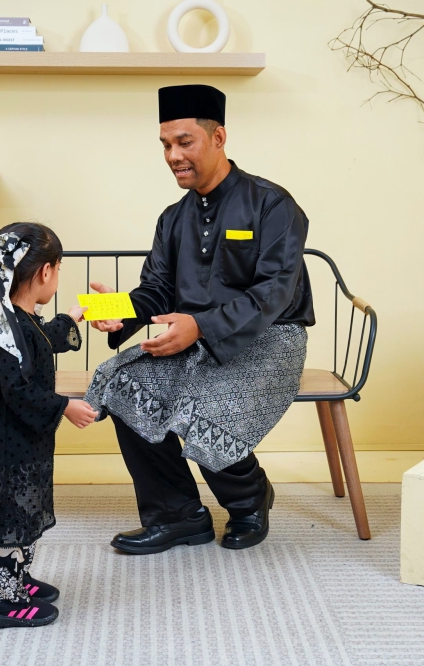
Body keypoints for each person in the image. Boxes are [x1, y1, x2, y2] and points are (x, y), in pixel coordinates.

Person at [84, 84, 314, 553]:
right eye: (166, 145)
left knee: (198, 407)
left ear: (218, 137)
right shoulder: (173, 218)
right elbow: (157, 290)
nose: (172, 155)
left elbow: (274, 292)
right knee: (122, 383)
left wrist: (201, 326)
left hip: (271, 339)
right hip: (192, 338)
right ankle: (178, 515)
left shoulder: (273, 204)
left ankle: (248, 499)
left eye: (184, 142)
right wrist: (116, 312)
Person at [0, 223, 97, 629]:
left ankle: (13, 575)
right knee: (5, 513)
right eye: (59, 268)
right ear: (45, 273)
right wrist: (64, 406)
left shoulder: (18, 317)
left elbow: (42, 339)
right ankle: (0, 600)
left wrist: (73, 316)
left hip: (15, 440)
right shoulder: (9, 327)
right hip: (4, 443)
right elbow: (17, 389)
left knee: (20, 507)